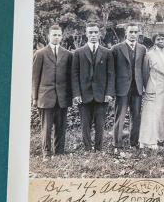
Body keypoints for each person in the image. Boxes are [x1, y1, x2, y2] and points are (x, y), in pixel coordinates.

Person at [72, 22, 115, 152]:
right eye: (90, 32)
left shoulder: (107, 52)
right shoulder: (78, 52)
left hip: (101, 94)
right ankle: (87, 148)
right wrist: (76, 94)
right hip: (84, 94)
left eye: (95, 32)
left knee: (100, 124)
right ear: (86, 34)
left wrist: (109, 93)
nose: (93, 35)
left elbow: (111, 74)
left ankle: (98, 148)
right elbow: (74, 75)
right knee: (85, 124)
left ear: (99, 34)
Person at [32, 24, 72, 159]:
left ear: (62, 36)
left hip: (62, 97)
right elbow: (35, 78)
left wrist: (70, 95)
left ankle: (60, 151)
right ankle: (47, 153)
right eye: (54, 35)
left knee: (61, 126)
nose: (56, 37)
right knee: (46, 127)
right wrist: (34, 98)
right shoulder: (40, 53)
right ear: (49, 36)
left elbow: (69, 76)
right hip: (45, 97)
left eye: (59, 35)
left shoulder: (67, 54)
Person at [111, 23, 146, 148]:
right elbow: (112, 71)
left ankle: (134, 142)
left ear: (138, 33)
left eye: (135, 32)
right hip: (122, 87)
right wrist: (112, 88)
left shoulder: (142, 49)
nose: (133, 34)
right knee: (120, 115)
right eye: (131, 32)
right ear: (126, 32)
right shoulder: (116, 48)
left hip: (137, 87)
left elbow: (143, 68)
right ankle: (117, 143)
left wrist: (144, 86)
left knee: (136, 116)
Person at [139, 33, 164, 149]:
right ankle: (147, 140)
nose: (160, 41)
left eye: (163, 39)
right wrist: (146, 87)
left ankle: (161, 138)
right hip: (153, 85)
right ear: (154, 41)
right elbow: (145, 72)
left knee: (162, 112)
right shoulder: (149, 55)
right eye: (158, 39)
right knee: (151, 113)